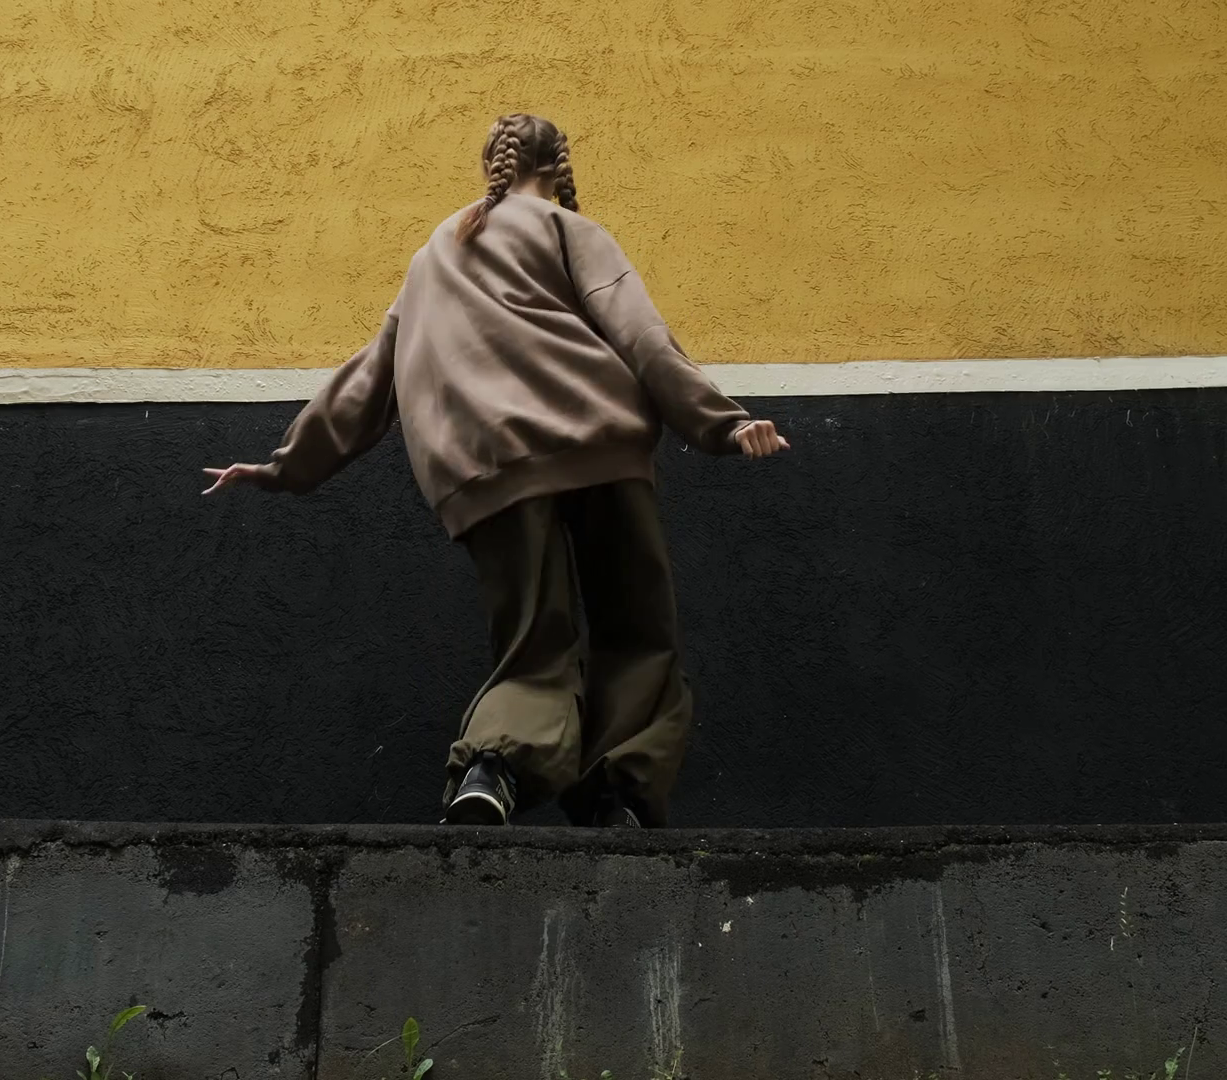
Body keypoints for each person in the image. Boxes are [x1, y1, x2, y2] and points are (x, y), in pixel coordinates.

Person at [202, 113, 789, 829]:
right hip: (601, 447)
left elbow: (367, 381)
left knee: (531, 641)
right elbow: (642, 336)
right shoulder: (569, 229)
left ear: (494, 165)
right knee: (637, 628)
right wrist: (721, 422)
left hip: (484, 470)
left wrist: (286, 466)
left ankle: (493, 768)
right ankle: (618, 791)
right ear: (559, 166)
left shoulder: (433, 254)